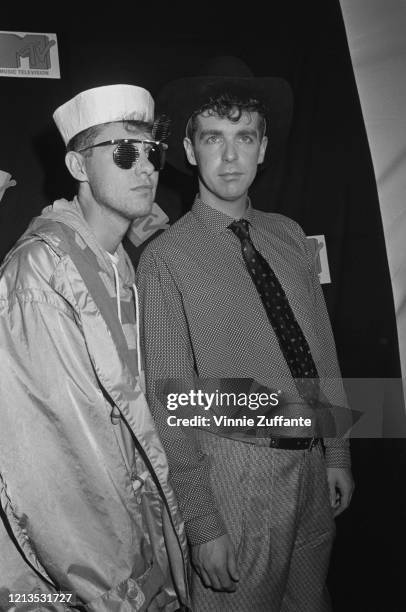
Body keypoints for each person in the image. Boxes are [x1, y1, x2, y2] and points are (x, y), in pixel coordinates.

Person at [136, 57, 354, 612]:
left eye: (244, 137)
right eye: (213, 138)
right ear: (190, 151)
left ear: (263, 148)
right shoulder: (166, 259)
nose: (230, 155)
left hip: (310, 471)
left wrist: (338, 453)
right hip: (236, 481)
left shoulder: (289, 235)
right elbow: (171, 400)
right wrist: (204, 523)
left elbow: (320, 348)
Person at [0, 84, 189, 611]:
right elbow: (57, 465)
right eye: (124, 152)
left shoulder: (118, 263)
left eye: (152, 152)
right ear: (78, 166)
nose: (147, 167)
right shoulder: (39, 272)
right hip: (84, 582)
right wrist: (120, 592)